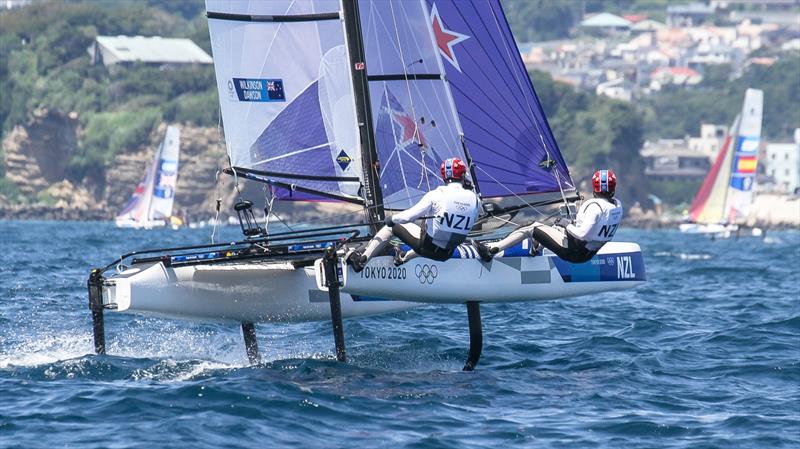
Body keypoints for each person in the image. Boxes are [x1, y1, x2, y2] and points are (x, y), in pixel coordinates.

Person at [347, 157, 481, 272]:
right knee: (432, 233)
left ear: (443, 176)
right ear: (463, 175)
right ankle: (402, 258)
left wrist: (391, 219)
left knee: (393, 227)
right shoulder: (475, 200)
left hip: (428, 248)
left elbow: (408, 217)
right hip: (447, 254)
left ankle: (361, 261)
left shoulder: (437, 194)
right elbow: (472, 219)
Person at [474, 169, 623, 264]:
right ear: (614, 188)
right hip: (587, 254)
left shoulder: (595, 207)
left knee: (531, 226)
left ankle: (491, 250)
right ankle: (535, 249)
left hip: (573, 251)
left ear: (595, 188)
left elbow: (583, 234)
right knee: (555, 227)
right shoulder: (617, 206)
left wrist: (567, 224)